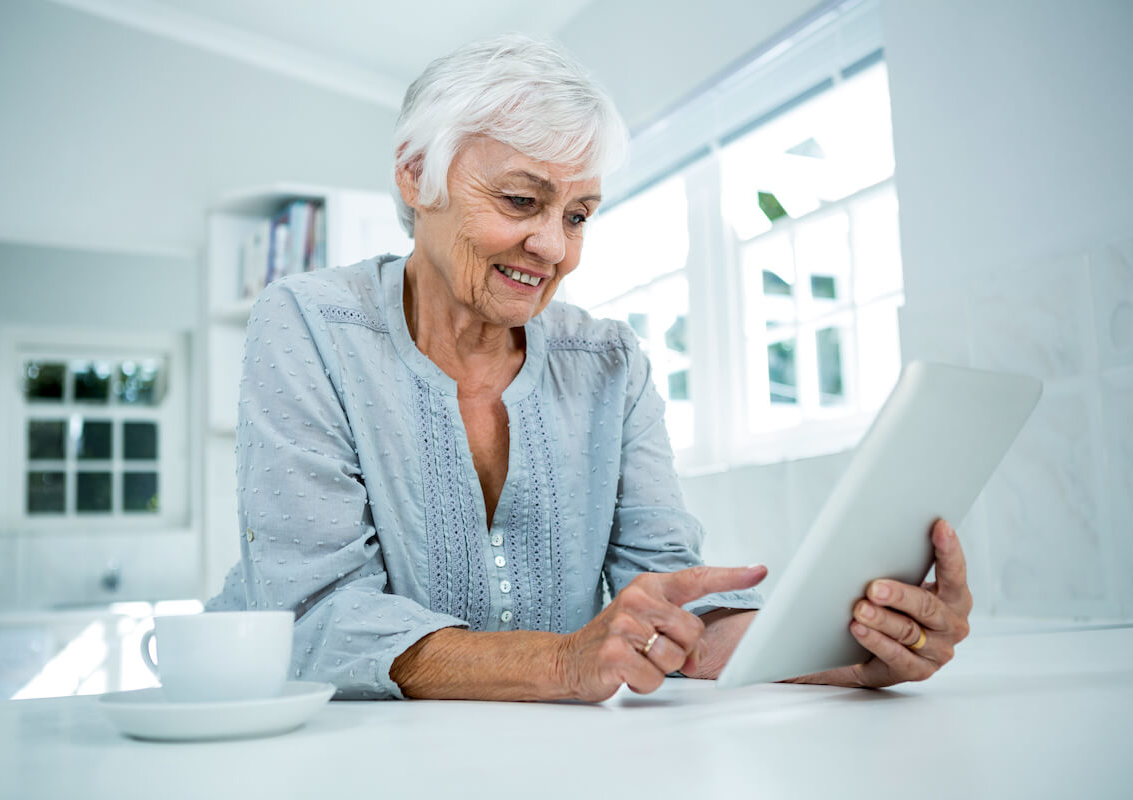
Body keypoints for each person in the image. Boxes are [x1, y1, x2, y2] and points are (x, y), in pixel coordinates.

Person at [207, 34, 972, 701]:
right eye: (520, 200)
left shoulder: (610, 364)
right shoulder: (310, 325)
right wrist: (562, 662)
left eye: (577, 216)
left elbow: (670, 615)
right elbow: (315, 616)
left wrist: (848, 653)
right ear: (415, 175)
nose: (554, 248)